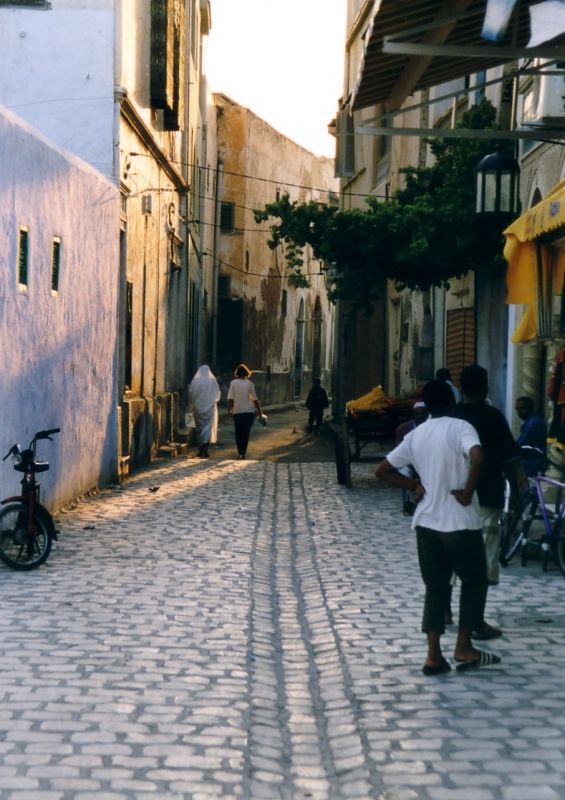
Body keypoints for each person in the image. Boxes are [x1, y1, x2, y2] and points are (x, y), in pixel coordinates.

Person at [376, 380, 499, 675]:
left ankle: (433, 656)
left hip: (426, 523)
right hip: (460, 522)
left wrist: (413, 485)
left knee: (436, 587)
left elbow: (383, 471)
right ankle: (463, 646)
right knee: (474, 581)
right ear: (452, 402)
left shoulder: (416, 435)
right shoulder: (461, 427)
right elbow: (478, 456)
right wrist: (467, 492)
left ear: (427, 405)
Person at [455, 364, 519, 640]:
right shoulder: (494, 417)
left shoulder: (452, 417)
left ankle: (444, 611)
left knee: (450, 557)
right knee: (481, 561)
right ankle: (476, 621)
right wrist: (516, 497)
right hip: (487, 498)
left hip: (453, 499)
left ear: (461, 388)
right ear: (485, 387)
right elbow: (510, 460)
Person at [395, 401, 428, 515]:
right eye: (417, 413)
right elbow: (399, 449)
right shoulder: (403, 429)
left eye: (422, 413)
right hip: (409, 462)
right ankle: (411, 501)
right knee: (405, 474)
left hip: (427, 463)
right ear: (413, 414)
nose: (420, 416)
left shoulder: (431, 428)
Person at [227, 363, 264, 459]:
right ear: (247, 373)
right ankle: (243, 452)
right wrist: (260, 411)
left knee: (238, 432)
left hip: (237, 412)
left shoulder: (233, 383)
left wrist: (229, 409)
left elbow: (230, 398)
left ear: (237, 373)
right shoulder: (250, 384)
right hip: (249, 412)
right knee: (246, 433)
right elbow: (255, 399)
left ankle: (240, 451)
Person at [188, 365, 221, 459]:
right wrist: (211, 401)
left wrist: (195, 402)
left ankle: (201, 449)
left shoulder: (195, 381)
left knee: (199, 428)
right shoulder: (213, 381)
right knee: (207, 428)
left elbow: (191, 394)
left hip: (198, 408)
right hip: (209, 408)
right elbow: (217, 395)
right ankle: (205, 449)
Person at [515, 396, 547, 476]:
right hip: (533, 459)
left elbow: (523, 443)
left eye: (522, 409)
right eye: (517, 409)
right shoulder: (532, 421)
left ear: (531, 408)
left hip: (534, 461)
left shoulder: (533, 424)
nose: (519, 412)